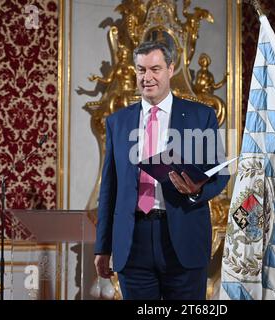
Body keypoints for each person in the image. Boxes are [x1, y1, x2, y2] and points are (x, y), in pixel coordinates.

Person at [94, 40, 230, 300]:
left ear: (170, 68)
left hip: (182, 234)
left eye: (155, 69)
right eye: (141, 70)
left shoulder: (201, 116)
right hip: (133, 240)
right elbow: (109, 187)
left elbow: (220, 173)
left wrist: (195, 190)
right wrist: (102, 246)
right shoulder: (117, 122)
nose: (147, 77)